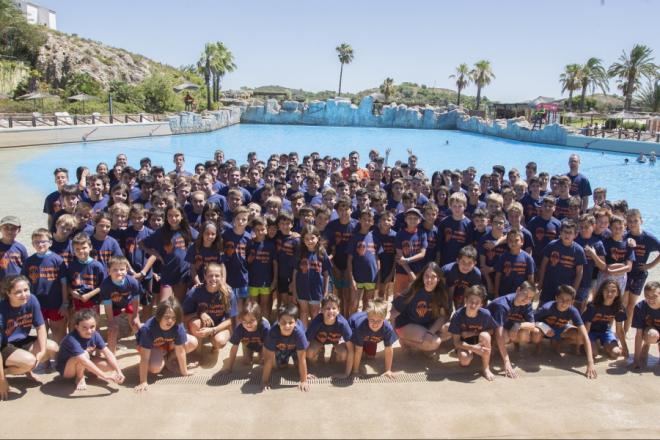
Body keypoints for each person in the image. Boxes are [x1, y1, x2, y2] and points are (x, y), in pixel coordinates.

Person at [0, 275, 59, 383]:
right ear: (8, 293)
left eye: (26, 290)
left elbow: (40, 326)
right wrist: (2, 380)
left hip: (21, 341)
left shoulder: (31, 299)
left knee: (52, 348)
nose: (24, 295)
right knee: (29, 362)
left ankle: (25, 369)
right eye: (18, 292)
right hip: (3, 346)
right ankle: (3, 374)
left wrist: (42, 351)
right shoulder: (2, 308)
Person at [532, 285, 597, 379]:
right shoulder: (547, 308)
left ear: (572, 302)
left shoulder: (573, 311)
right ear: (556, 298)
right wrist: (544, 327)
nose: (564, 303)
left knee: (581, 337)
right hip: (545, 331)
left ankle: (559, 342)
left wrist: (590, 363)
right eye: (561, 299)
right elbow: (530, 321)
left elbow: (585, 335)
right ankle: (539, 345)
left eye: (568, 300)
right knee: (535, 333)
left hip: (561, 329)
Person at [134, 297, 198, 392]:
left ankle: (169, 359)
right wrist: (143, 381)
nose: (170, 321)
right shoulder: (148, 329)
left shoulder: (177, 325)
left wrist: (184, 371)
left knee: (193, 342)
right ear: (159, 316)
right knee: (155, 368)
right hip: (154, 347)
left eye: (173, 318)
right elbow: (145, 358)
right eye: (167, 317)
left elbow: (181, 351)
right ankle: (161, 359)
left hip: (169, 345)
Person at [55, 309, 124, 391]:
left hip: (84, 360)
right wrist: (105, 376)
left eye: (92, 327)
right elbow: (83, 360)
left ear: (96, 325)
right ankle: (79, 377)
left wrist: (119, 371)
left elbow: (107, 353)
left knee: (110, 366)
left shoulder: (95, 334)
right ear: (77, 327)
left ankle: (87, 371)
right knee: (84, 355)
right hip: (67, 370)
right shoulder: (71, 339)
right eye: (84, 327)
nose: (89, 331)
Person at [390, 262, 450, 356]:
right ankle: (406, 342)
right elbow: (393, 312)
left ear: (438, 279)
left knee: (449, 329)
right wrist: (394, 333)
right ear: (422, 277)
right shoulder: (414, 289)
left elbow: (443, 317)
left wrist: (430, 333)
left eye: (433, 276)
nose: (429, 279)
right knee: (435, 342)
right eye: (426, 276)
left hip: (427, 324)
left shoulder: (441, 293)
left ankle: (426, 346)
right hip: (408, 324)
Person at [142, 203, 198, 302]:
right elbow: (142, 244)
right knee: (164, 304)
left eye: (176, 215)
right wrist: (157, 255)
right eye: (170, 216)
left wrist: (194, 257)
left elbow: (200, 240)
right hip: (167, 272)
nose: (173, 218)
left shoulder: (187, 230)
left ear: (181, 216)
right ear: (166, 217)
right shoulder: (162, 232)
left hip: (183, 273)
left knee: (178, 304)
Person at [21, 228, 68, 342]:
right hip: (37, 303)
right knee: (42, 332)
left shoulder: (58, 260)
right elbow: (24, 283)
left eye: (43, 241)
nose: (40, 244)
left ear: (50, 243)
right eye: (36, 242)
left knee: (58, 332)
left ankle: (59, 358)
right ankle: (45, 359)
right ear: (32, 244)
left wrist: (65, 302)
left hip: (55, 302)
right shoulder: (29, 261)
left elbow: (64, 283)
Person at [183, 263, 237, 355]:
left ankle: (215, 346)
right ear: (204, 276)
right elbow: (183, 317)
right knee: (195, 324)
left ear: (222, 277)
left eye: (217, 276)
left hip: (219, 326)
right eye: (210, 275)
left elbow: (230, 320)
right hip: (202, 324)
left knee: (220, 341)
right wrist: (199, 313)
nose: (213, 279)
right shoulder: (195, 291)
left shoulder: (228, 293)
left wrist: (213, 330)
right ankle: (198, 352)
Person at [487, 282, 537, 378]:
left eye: (530, 297)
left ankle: (504, 345)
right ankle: (493, 345)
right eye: (525, 294)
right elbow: (499, 334)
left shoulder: (527, 303)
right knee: (504, 337)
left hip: (508, 325)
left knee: (526, 334)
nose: (527, 299)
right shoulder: (502, 305)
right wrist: (507, 362)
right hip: (489, 329)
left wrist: (518, 325)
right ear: (518, 290)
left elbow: (532, 325)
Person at [448, 285, 497, 381]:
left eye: (477, 303)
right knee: (464, 361)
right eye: (471, 301)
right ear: (465, 300)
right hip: (464, 344)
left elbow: (492, 330)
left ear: (481, 304)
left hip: (479, 340)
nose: (473, 305)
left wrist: (474, 333)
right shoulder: (458, 315)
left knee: (485, 335)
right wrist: (474, 348)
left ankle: (486, 368)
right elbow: (456, 342)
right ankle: (474, 354)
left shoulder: (485, 314)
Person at [624, 209, 660, 332]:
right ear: (626, 222)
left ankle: (626, 330)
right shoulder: (625, 236)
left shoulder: (648, 238)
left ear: (641, 221)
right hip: (626, 273)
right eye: (630, 221)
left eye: (635, 221)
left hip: (639, 273)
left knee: (631, 305)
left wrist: (650, 265)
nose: (633, 223)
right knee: (623, 304)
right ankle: (619, 332)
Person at [261, 303, 311, 392]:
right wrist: (265, 381)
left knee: (298, 365)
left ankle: (301, 370)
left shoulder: (299, 333)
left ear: (295, 322)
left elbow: (302, 359)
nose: (287, 326)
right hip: (280, 348)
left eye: (290, 323)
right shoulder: (273, 331)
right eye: (283, 322)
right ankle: (280, 361)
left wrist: (304, 380)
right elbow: (268, 359)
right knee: (278, 366)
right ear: (278, 321)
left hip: (295, 348)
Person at [537, 220, 586, 305]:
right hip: (548, 286)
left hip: (566, 289)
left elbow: (579, 273)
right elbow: (543, 265)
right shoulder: (552, 245)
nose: (567, 235)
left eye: (570, 232)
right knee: (543, 309)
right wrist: (540, 283)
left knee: (561, 313)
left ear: (575, 235)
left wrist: (573, 291)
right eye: (565, 232)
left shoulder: (578, 250)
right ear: (560, 232)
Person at [305, 294, 354, 378]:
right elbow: (303, 347)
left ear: (338, 310)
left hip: (336, 341)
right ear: (321, 310)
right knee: (309, 352)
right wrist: (304, 373)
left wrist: (346, 374)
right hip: (319, 340)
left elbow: (351, 349)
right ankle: (320, 351)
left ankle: (334, 352)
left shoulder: (343, 323)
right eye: (327, 308)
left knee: (344, 354)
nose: (331, 311)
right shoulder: (316, 322)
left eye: (334, 308)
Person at [100, 256, 142, 353]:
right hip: (113, 306)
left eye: (122, 269)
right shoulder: (106, 285)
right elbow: (108, 305)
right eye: (115, 270)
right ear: (108, 271)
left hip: (128, 302)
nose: (119, 272)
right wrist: (111, 321)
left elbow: (136, 299)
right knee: (112, 329)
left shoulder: (132, 282)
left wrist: (135, 315)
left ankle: (143, 346)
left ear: (127, 270)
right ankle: (111, 355)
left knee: (135, 324)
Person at [324, 196, 358, 316]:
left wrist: (351, 270)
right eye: (340, 210)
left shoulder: (356, 226)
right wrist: (333, 267)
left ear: (351, 210)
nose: (343, 212)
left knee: (349, 296)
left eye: (346, 209)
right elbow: (327, 248)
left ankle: (348, 318)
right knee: (339, 295)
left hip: (352, 266)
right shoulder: (332, 226)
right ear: (337, 211)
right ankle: (341, 317)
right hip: (336, 264)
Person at [292, 225, 331, 328]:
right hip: (302, 288)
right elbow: (295, 272)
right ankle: (304, 336)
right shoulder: (300, 252)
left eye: (312, 238)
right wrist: (294, 291)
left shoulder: (322, 252)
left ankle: (314, 335)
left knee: (315, 313)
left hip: (316, 289)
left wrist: (326, 291)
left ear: (318, 238)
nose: (310, 241)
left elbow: (326, 274)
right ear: (303, 240)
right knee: (303, 312)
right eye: (307, 239)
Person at [349, 299, 397, 378]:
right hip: (354, 331)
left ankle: (366, 346)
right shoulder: (360, 326)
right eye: (372, 320)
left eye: (379, 321)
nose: (375, 323)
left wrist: (388, 369)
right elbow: (358, 349)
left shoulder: (387, 328)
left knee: (370, 356)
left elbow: (389, 348)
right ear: (367, 318)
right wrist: (355, 371)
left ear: (384, 319)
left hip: (370, 336)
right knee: (347, 355)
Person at [582, 279, 627, 360]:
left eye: (613, 291)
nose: (609, 293)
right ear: (602, 291)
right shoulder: (593, 306)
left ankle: (603, 343)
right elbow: (586, 329)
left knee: (616, 353)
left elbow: (619, 330)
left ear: (617, 293)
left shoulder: (619, 308)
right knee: (594, 354)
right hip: (590, 331)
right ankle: (593, 343)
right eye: (606, 290)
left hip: (604, 331)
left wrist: (625, 348)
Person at [221, 302, 270, 374]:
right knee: (247, 362)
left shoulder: (264, 327)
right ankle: (250, 352)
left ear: (258, 319)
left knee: (263, 362)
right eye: (245, 321)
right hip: (248, 344)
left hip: (262, 345)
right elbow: (234, 348)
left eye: (252, 320)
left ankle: (260, 354)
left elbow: (269, 346)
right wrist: (229, 368)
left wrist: (265, 357)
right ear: (241, 320)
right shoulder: (240, 329)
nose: (248, 324)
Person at [347, 209, 379, 315]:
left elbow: (377, 258)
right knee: (354, 304)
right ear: (359, 220)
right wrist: (351, 279)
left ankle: (364, 325)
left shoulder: (375, 236)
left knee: (368, 304)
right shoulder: (354, 237)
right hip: (357, 277)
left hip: (371, 277)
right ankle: (352, 327)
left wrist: (378, 276)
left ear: (372, 222)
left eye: (369, 220)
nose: (366, 222)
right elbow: (349, 259)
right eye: (364, 219)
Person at [246, 217, 277, 320]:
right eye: (257, 230)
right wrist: (250, 259)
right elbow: (247, 262)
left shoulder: (271, 245)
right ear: (254, 230)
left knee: (265, 304)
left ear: (266, 229)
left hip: (266, 281)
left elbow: (275, 263)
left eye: (262, 229)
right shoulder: (250, 244)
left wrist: (275, 279)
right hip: (253, 280)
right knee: (254, 304)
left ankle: (265, 324)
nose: (260, 232)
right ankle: (255, 324)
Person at [394, 208, 427, 296]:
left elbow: (422, 254)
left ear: (419, 220)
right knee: (399, 298)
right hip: (402, 272)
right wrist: (411, 273)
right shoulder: (400, 234)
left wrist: (407, 259)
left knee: (414, 298)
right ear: (405, 219)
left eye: (415, 218)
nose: (412, 220)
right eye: (410, 218)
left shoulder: (422, 234)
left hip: (418, 270)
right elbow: (400, 257)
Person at [494, 229, 535, 298]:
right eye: (510, 240)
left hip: (521, 294)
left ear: (522, 242)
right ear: (507, 242)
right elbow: (498, 276)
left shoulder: (528, 258)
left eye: (516, 240)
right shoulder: (503, 257)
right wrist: (496, 293)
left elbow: (530, 278)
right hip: (504, 293)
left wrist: (529, 295)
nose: (513, 243)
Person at [442, 245, 482, 312]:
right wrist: (449, 304)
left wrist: (463, 305)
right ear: (457, 260)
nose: (466, 266)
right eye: (463, 262)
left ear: (475, 263)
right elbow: (449, 289)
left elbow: (468, 290)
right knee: (447, 309)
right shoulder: (448, 270)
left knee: (462, 309)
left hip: (462, 290)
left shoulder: (476, 274)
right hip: (447, 289)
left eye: (469, 263)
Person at [438, 192, 473, 266]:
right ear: (450, 206)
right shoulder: (444, 222)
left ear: (465, 206)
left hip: (462, 262)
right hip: (445, 260)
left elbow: (469, 246)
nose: (457, 209)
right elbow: (439, 243)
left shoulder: (469, 224)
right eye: (454, 206)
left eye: (460, 206)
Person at [631, 281, 659, 369]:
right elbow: (638, 335)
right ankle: (646, 344)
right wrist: (636, 360)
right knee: (653, 335)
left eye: (654, 296)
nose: (650, 299)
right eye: (647, 296)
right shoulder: (640, 307)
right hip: (649, 332)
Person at [0, 215, 28, 281]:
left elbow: (26, 267)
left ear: (19, 230)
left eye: (13, 228)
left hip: (16, 283)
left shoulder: (21, 248)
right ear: (0, 229)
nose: (9, 231)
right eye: (6, 228)